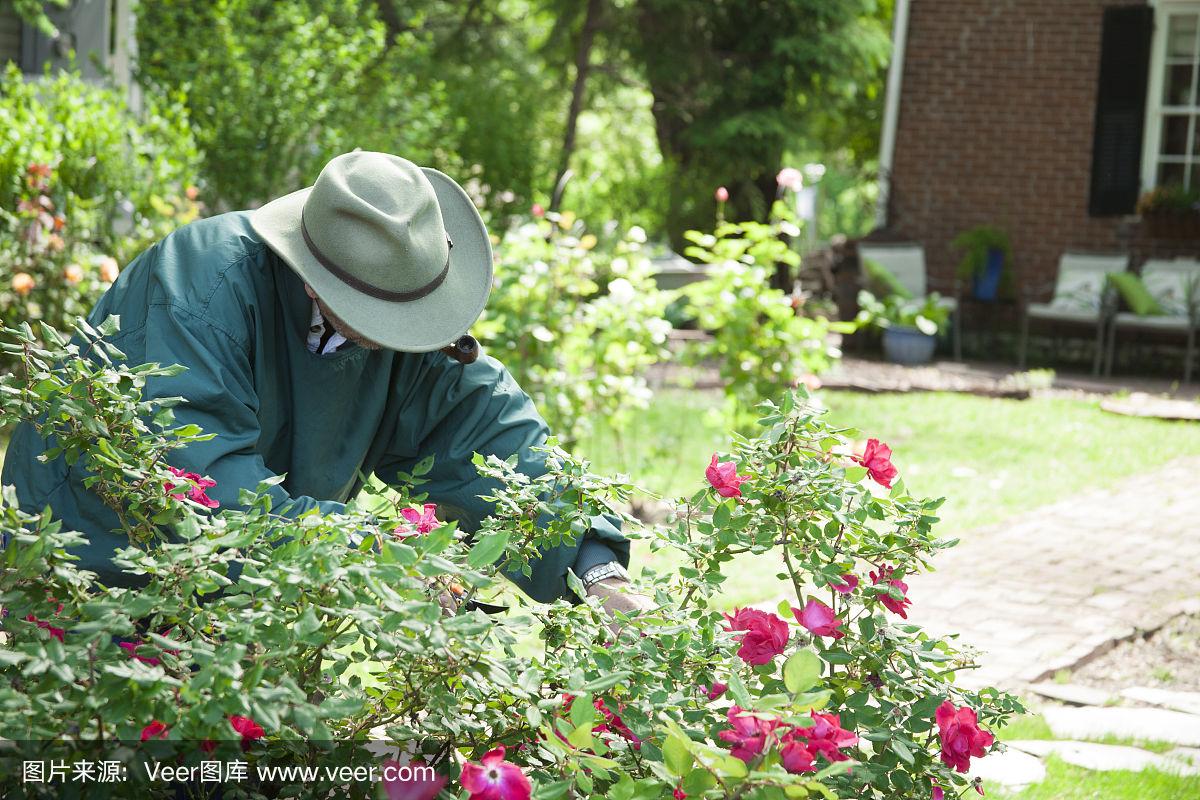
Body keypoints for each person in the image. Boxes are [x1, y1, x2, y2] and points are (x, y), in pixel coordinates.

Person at [2, 151, 646, 615]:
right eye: (388, 316)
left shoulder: (397, 325)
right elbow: (201, 493)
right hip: (99, 568)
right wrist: (377, 554)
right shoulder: (198, 290)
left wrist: (596, 566)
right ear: (313, 275)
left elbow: (485, 431)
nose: (403, 333)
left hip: (244, 598)